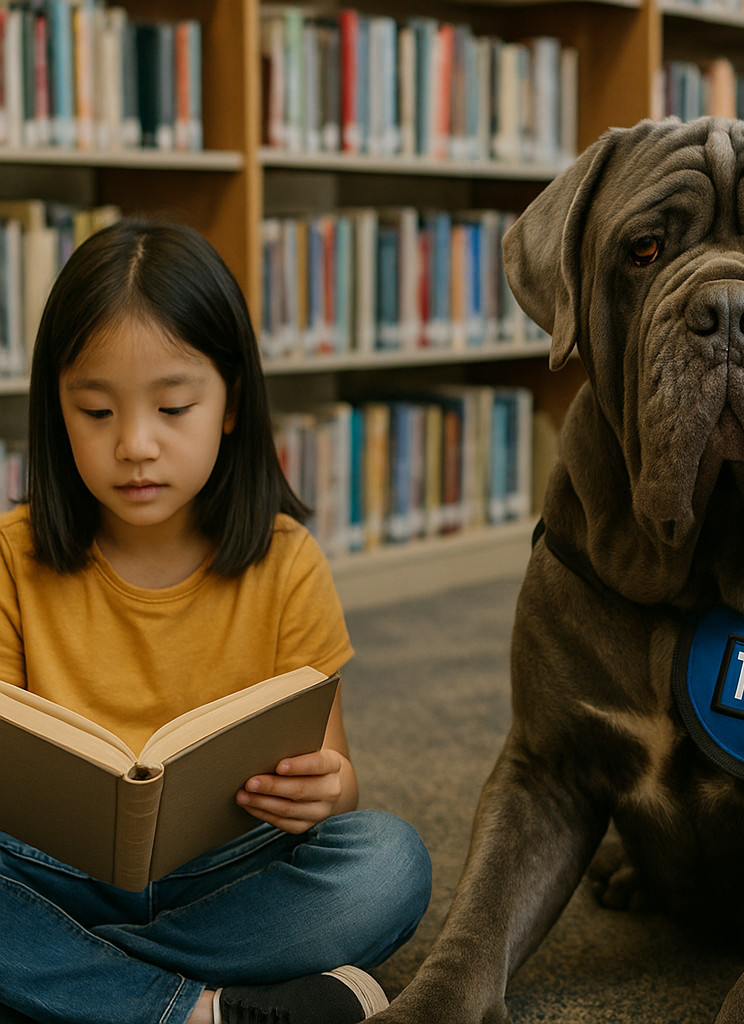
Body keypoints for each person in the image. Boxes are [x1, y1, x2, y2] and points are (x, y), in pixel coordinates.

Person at [0, 218, 431, 1024]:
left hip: (223, 870)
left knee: (388, 863)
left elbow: (337, 776)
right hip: (53, 870)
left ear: (231, 403)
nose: (135, 445)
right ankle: (206, 1011)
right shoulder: (13, 554)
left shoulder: (286, 559)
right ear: (56, 411)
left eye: (173, 407)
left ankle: (68, 978)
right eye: (95, 411)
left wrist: (324, 792)